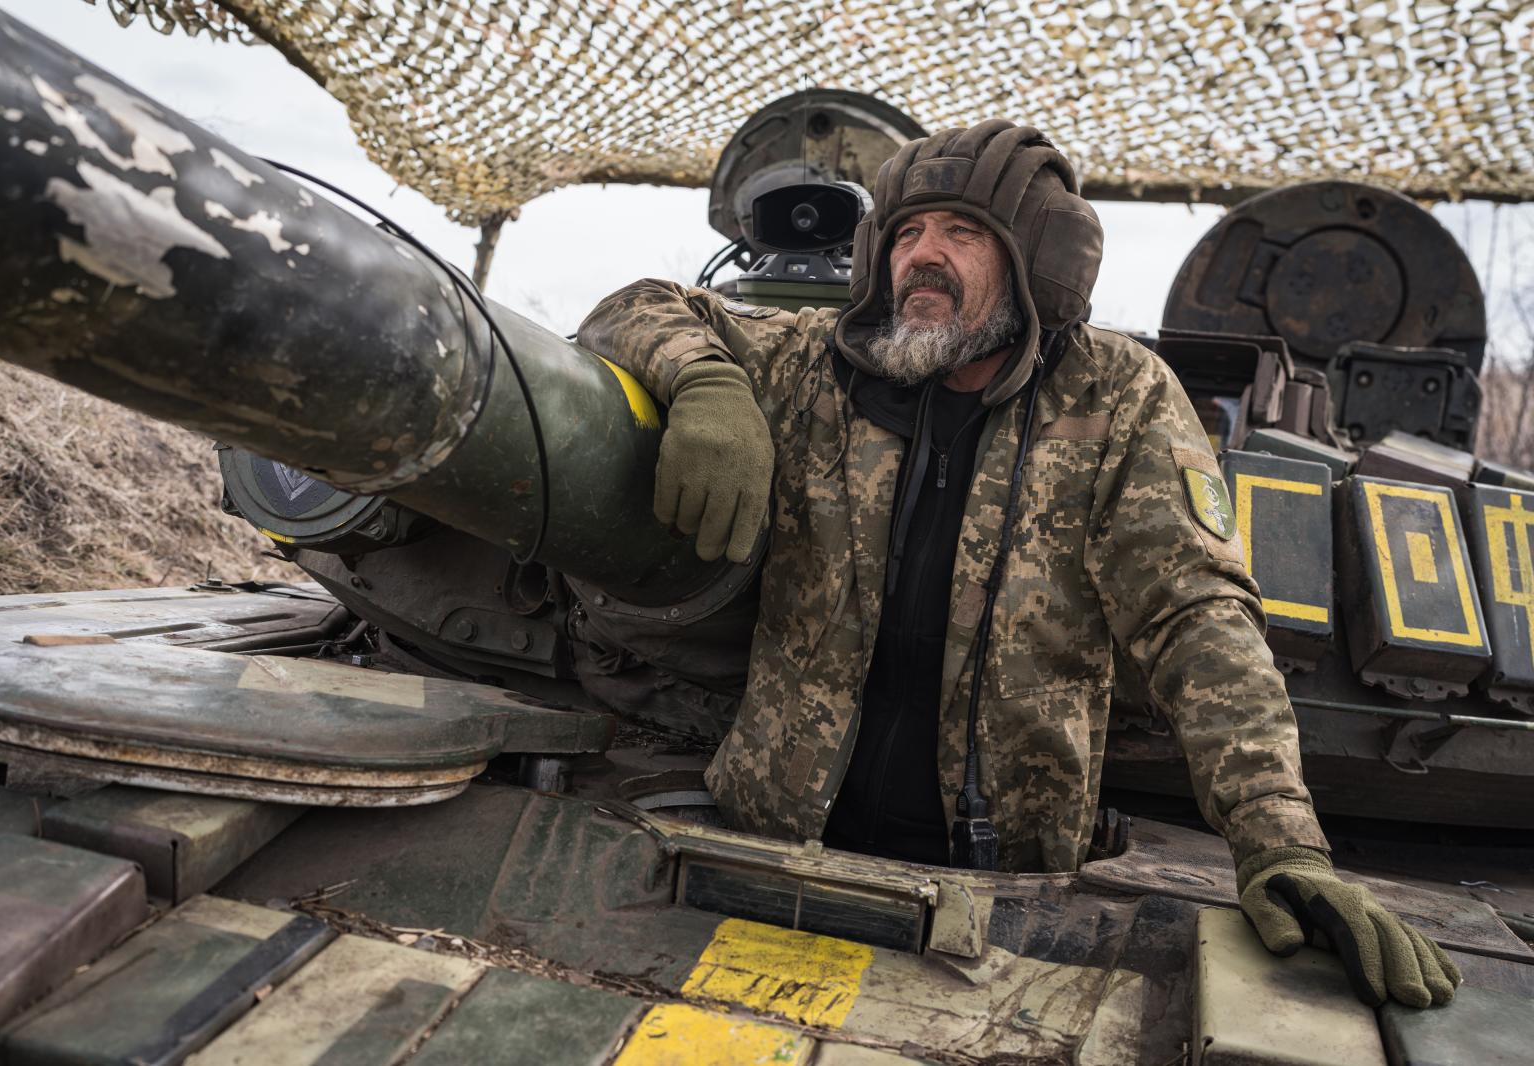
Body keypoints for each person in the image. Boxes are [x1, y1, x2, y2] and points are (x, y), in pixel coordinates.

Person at [578, 120, 1459, 1008]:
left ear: (1037, 261)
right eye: (906, 233)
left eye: (962, 234)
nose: (923, 256)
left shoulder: (1116, 395)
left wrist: (1280, 841)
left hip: (999, 900)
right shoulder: (819, 365)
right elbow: (635, 304)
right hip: (771, 851)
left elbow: (1195, 616)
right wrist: (709, 382)